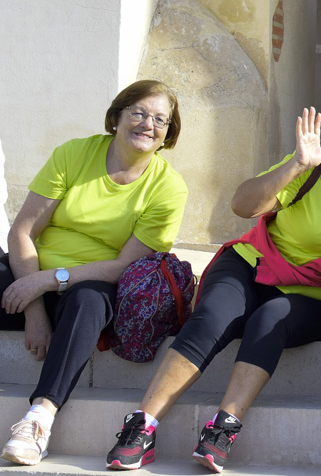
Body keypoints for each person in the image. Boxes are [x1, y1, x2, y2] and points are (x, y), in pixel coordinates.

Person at [104, 86, 321, 473]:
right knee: (212, 316)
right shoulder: (315, 167)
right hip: (251, 263)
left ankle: (223, 427)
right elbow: (242, 205)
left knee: (269, 317)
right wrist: (296, 164)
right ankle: (142, 425)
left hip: (314, 297)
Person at [0, 80, 188, 466]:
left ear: (169, 133)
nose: (148, 124)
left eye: (161, 120)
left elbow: (123, 265)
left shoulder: (169, 188)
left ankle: (38, 420)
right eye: (138, 112)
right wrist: (34, 307)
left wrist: (51, 280)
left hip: (90, 287)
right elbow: (22, 232)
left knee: (88, 300)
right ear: (117, 116)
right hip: (28, 276)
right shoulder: (74, 153)